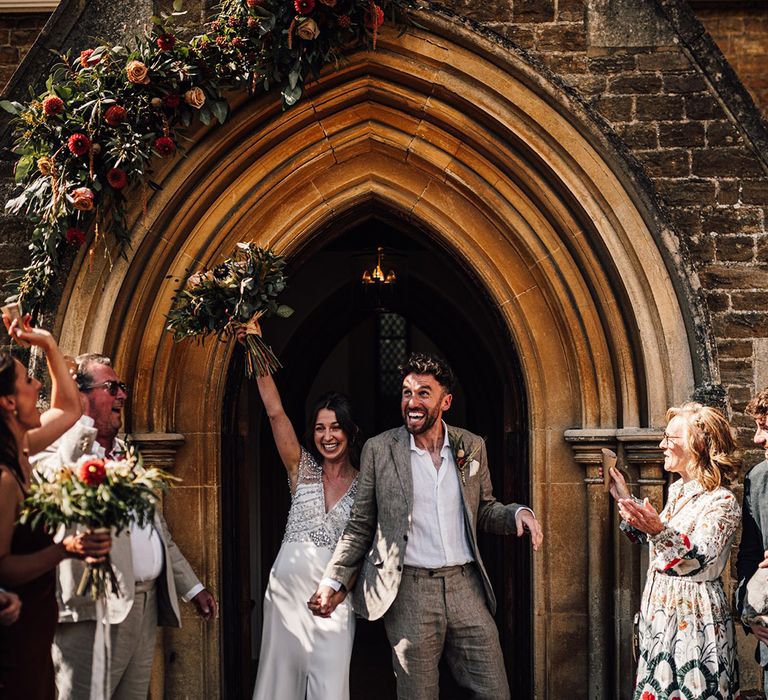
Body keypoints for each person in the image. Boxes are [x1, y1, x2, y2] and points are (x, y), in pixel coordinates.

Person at [311, 352, 543, 699]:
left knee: (495, 690)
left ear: (445, 401)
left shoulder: (471, 446)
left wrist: (516, 515)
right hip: (410, 591)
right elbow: (360, 525)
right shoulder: (379, 449)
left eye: (423, 393)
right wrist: (333, 579)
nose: (412, 402)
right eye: (407, 393)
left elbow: (484, 509)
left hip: (466, 587)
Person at [31, 352, 217, 700]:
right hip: (93, 610)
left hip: (142, 607)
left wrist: (192, 588)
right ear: (80, 395)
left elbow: (158, 531)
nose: (122, 395)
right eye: (112, 387)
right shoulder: (54, 448)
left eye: (123, 387)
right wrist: (78, 416)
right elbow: (61, 474)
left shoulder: (126, 454)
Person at [239, 323, 360, 700]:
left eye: (336, 427)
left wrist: (340, 592)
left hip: (333, 601)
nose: (327, 436)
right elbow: (275, 413)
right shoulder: (301, 470)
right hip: (286, 595)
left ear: (351, 432)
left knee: (330, 688)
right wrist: (255, 349)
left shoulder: (365, 487)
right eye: (321, 428)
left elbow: (366, 551)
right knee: (279, 689)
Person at [0, 316, 112, 699]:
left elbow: (67, 409)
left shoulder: (23, 448)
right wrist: (66, 549)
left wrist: (47, 344)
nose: (38, 385)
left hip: (36, 624)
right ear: (10, 402)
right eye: (29, 382)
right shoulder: (3, 476)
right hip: (14, 628)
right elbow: (3, 566)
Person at [607, 402, 741, 699]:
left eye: (670, 438)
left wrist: (657, 529)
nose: (662, 444)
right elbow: (661, 550)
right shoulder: (678, 491)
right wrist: (628, 504)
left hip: (693, 621)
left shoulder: (722, 502)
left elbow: (698, 557)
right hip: (662, 616)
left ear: (699, 445)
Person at [736, 386, 768, 695]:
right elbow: (748, 556)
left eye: (766, 428)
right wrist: (751, 618)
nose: (757, 439)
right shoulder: (757, 478)